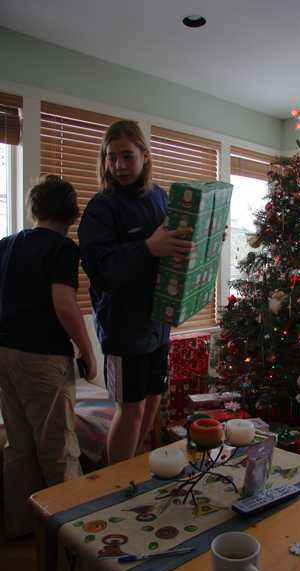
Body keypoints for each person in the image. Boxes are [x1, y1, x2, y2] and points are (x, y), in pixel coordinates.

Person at [78, 120, 193, 464]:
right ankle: (114, 484)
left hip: (158, 323)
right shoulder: (101, 208)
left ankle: (131, 469)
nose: (119, 165)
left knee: (154, 398)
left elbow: (174, 245)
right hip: (123, 330)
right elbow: (101, 271)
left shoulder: (160, 197)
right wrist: (147, 248)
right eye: (111, 157)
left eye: (127, 156)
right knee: (130, 408)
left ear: (145, 155)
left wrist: (201, 237)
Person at [0, 175, 97, 538]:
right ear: (72, 213)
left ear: (35, 209)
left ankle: (21, 528)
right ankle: (71, 540)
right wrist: (88, 352)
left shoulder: (6, 244)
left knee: (19, 446)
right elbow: (64, 304)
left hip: (4, 353)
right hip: (41, 358)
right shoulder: (62, 248)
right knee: (59, 448)